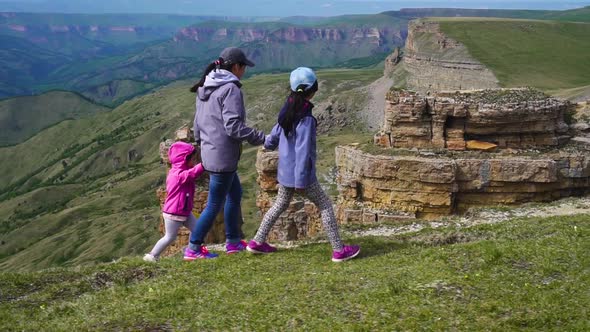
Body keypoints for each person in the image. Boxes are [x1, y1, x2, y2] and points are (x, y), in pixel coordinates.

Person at [247, 67, 360, 262]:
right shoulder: (306, 118)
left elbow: (273, 136)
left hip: (284, 173)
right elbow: (303, 150)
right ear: (313, 90)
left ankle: (257, 241)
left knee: (279, 205)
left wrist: (266, 142)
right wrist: (301, 180)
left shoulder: (287, 109)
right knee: (325, 205)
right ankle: (339, 250)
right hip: (301, 176)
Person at [185, 47, 265, 260]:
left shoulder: (206, 85)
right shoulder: (230, 89)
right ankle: (193, 248)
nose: (244, 71)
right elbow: (233, 127)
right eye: (244, 67)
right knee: (214, 204)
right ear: (236, 67)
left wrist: (202, 146)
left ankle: (233, 241)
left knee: (235, 194)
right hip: (222, 156)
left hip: (211, 153)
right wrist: (261, 138)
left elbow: (197, 124)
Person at [144, 142, 205, 262]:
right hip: (174, 213)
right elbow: (191, 174)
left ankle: (192, 250)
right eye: (192, 159)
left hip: (184, 211)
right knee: (170, 237)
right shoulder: (177, 175)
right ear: (183, 159)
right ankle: (152, 256)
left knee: (197, 230)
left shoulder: (179, 171)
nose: (193, 161)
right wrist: (204, 165)